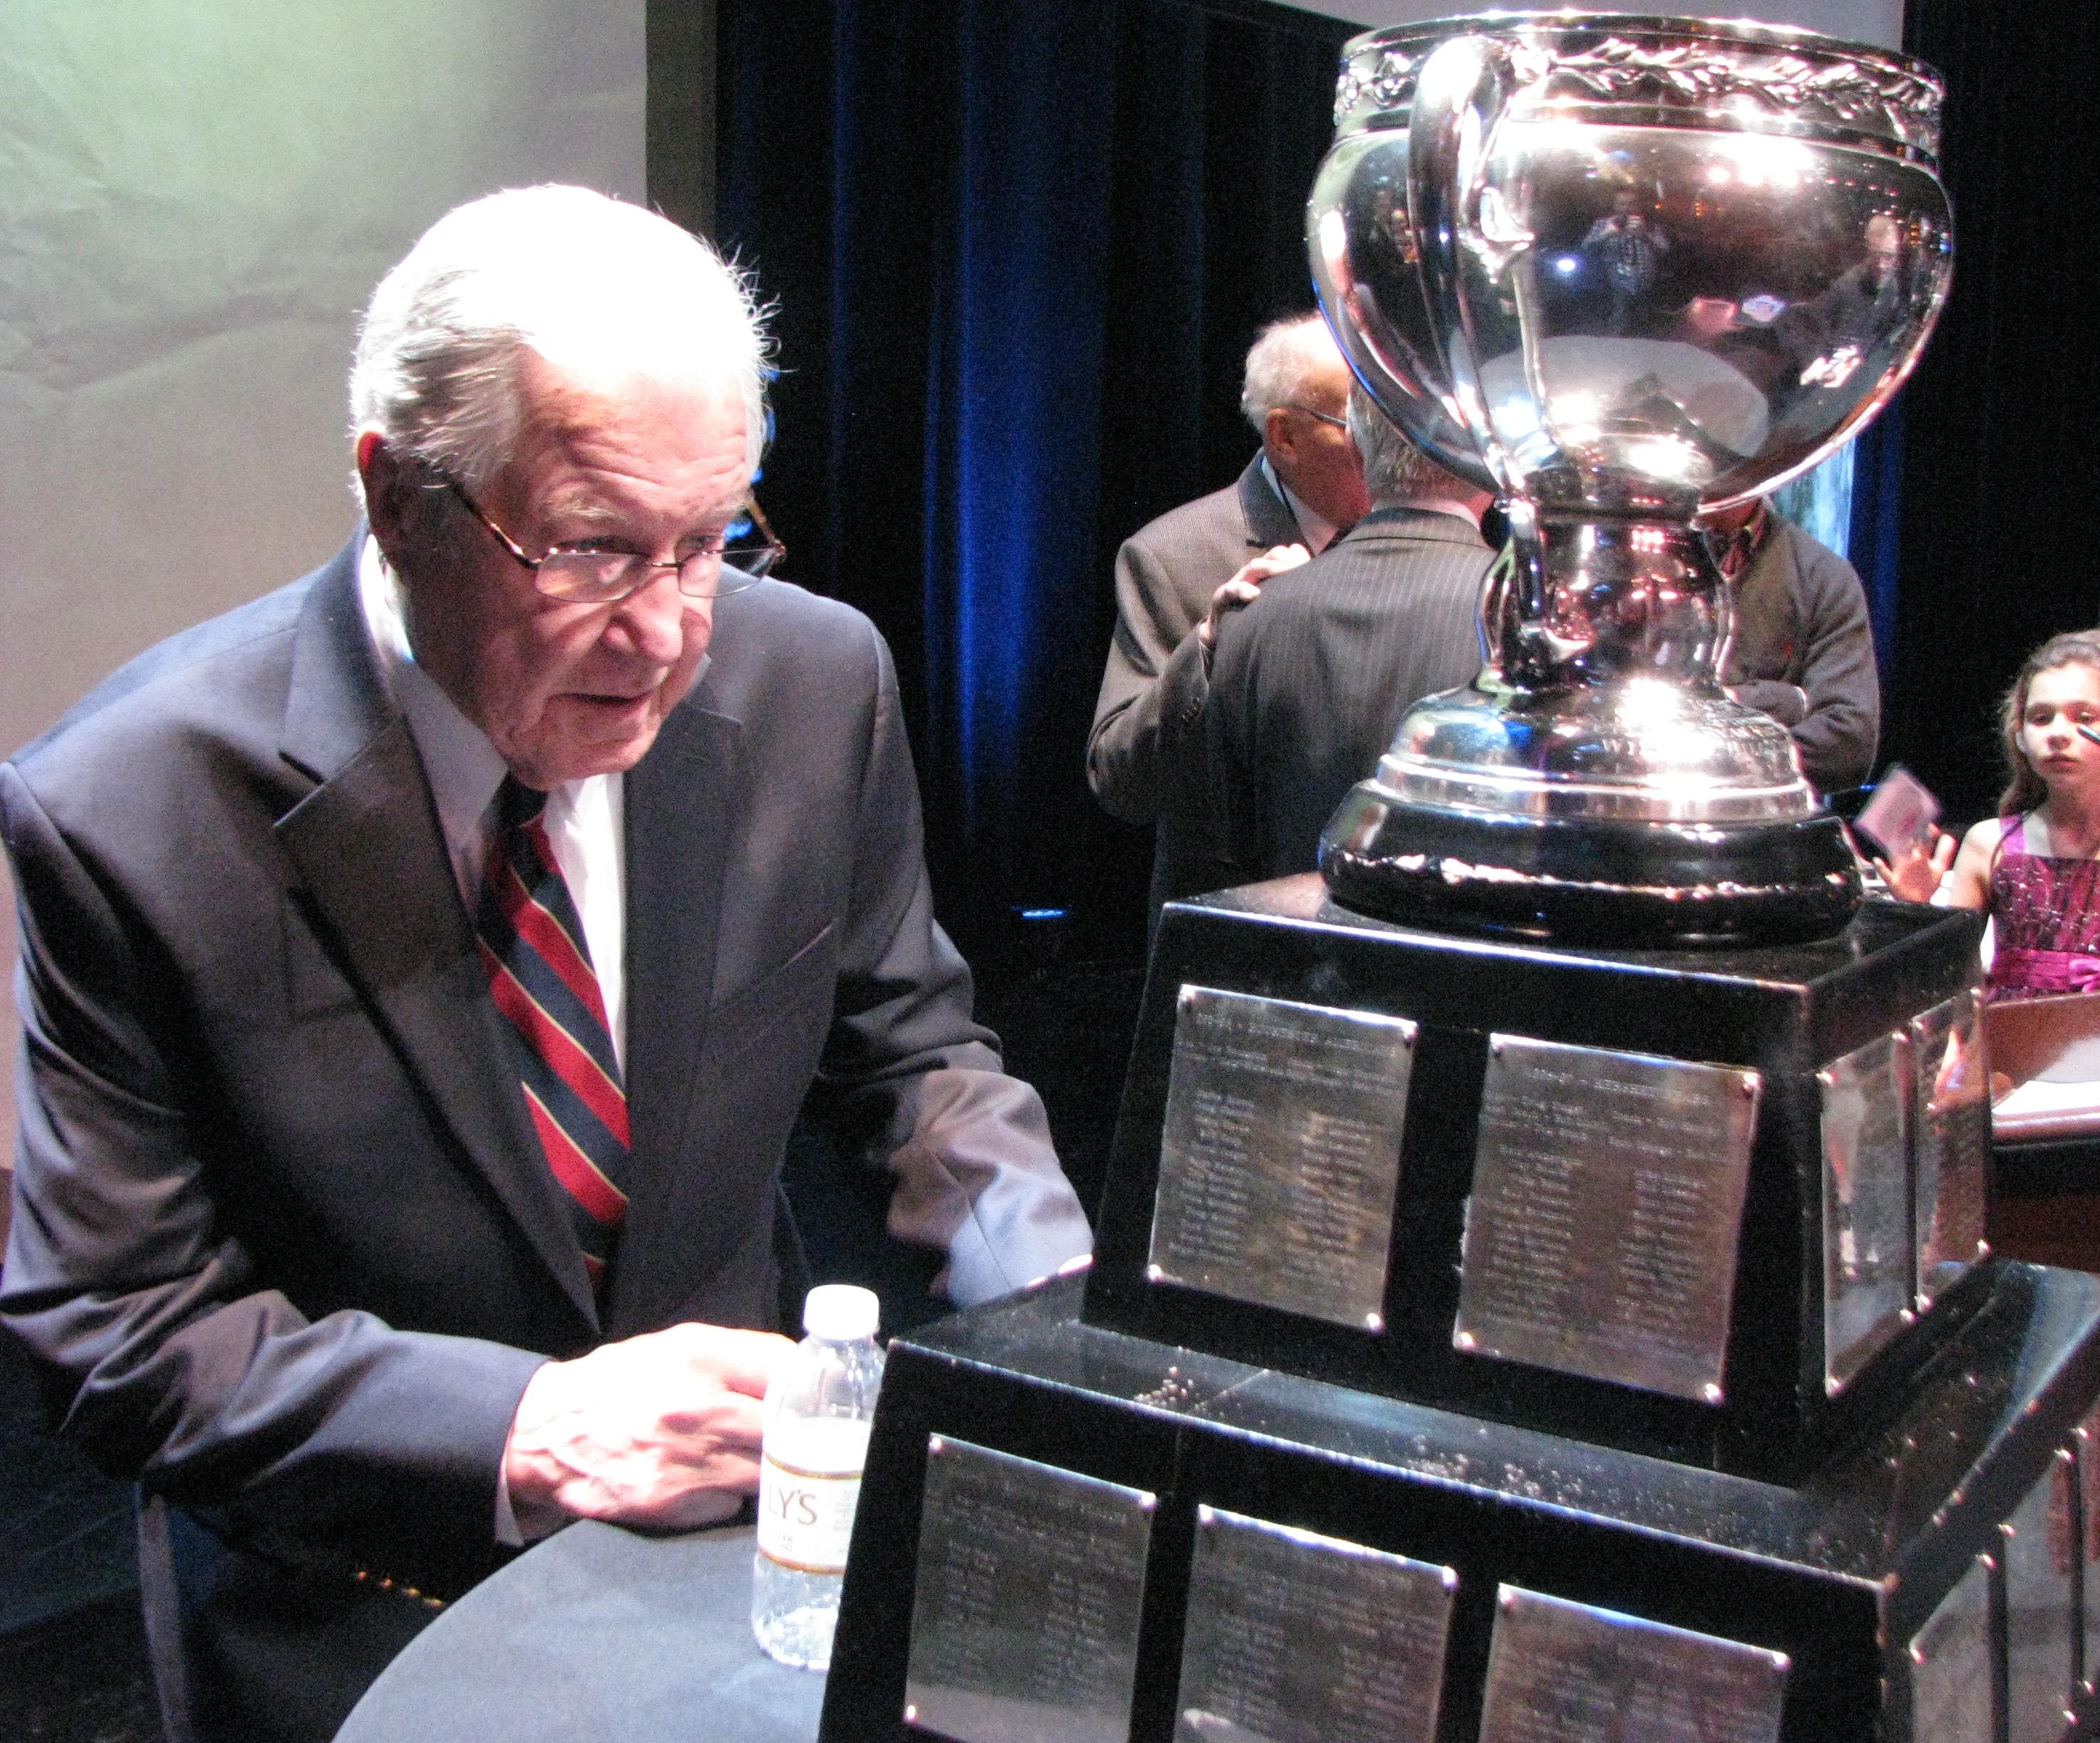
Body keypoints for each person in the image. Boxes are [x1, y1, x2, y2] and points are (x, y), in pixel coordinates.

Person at [0, 186, 1090, 1742]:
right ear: (397, 497)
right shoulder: (130, 806)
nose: (667, 635)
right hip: (352, 1614)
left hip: (738, 1585)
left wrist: (1060, 1309)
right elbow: (119, 1327)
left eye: (708, 544)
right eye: (588, 551)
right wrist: (529, 1427)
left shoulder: (811, 682)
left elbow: (912, 1057)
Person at [1086, 312, 1370, 914]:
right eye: (1360, 423)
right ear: (1284, 436)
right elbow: (1120, 782)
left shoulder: (1416, 532)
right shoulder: (1170, 556)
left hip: (1385, 913)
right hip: (1240, 926)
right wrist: (1212, 644)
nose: (1386, 445)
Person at [1196, 387, 1494, 890]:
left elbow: (1228, 841)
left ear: (1356, 450)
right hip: (1468, 958)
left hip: (1298, 959)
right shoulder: (1528, 617)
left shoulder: (1250, 617)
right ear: (1490, 460)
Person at [1880, 629, 2100, 998]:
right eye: (2041, 718)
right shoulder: (1990, 845)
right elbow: (1946, 991)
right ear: (2021, 736)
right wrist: (1914, 909)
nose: (2059, 733)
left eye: (2085, 717)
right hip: (2020, 1053)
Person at [1700, 498, 1880, 795]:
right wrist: (1780, 701)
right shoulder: (1625, 549)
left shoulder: (1824, 576)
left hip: (1755, 832)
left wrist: (1708, 728)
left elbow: (1849, 747)